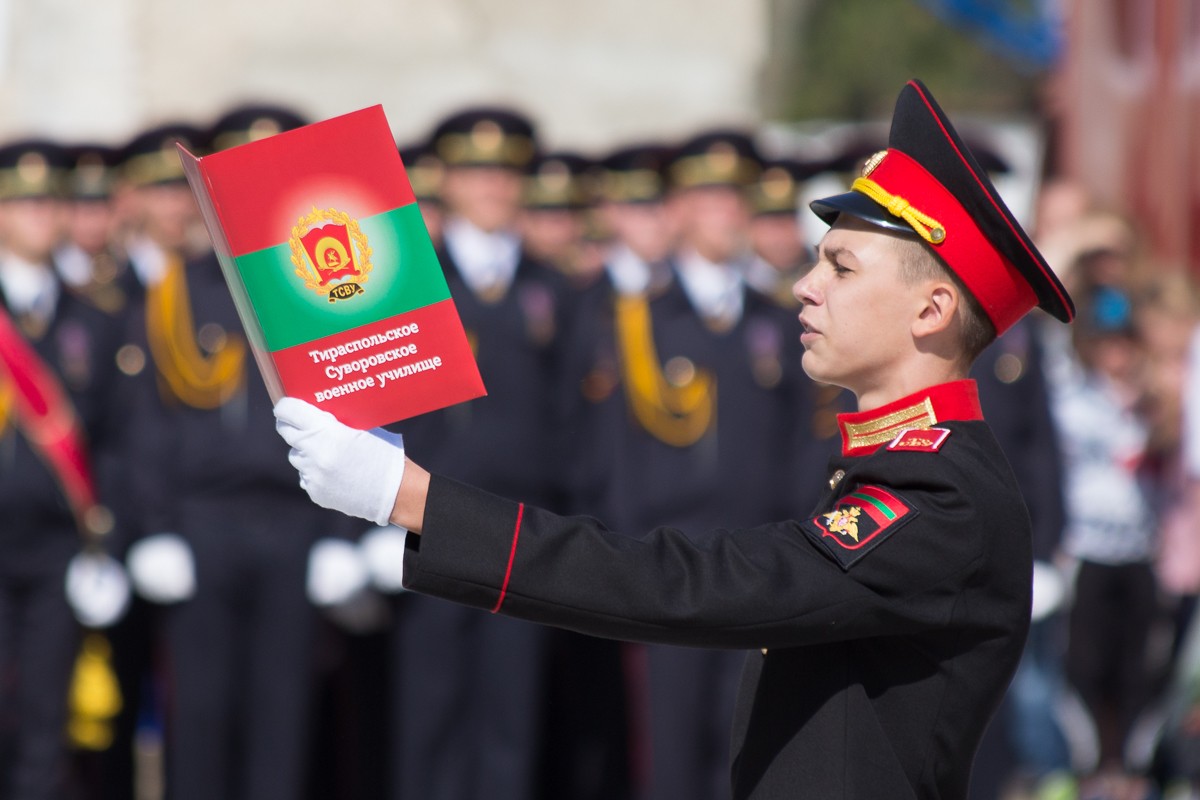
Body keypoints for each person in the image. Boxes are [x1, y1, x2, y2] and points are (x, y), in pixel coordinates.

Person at [275, 79, 1076, 798]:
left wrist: (413, 499)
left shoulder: (939, 496)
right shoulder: (903, 466)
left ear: (931, 311)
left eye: (841, 267)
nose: (805, 286)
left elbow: (690, 585)